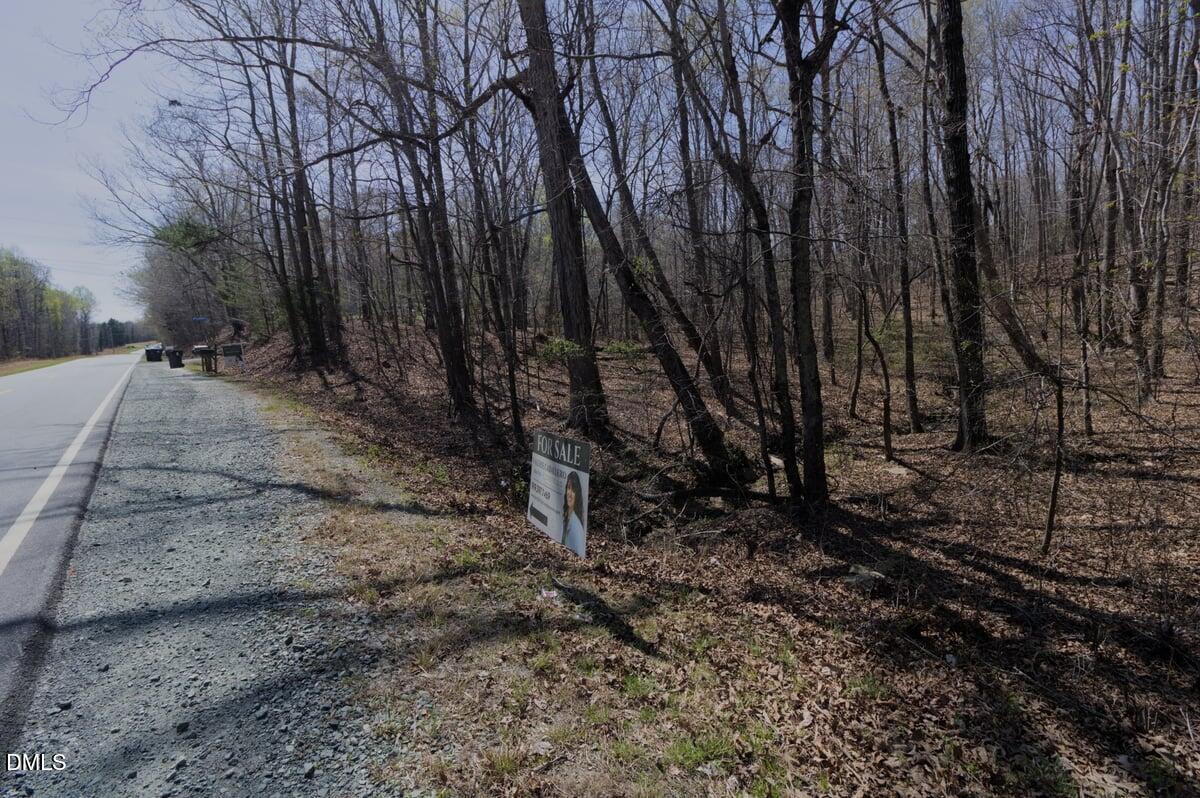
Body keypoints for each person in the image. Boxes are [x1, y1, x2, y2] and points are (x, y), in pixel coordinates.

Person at [561, 471, 586, 556]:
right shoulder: (565, 516)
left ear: (577, 494)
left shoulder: (577, 527)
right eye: (568, 488)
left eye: (573, 490)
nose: (570, 493)